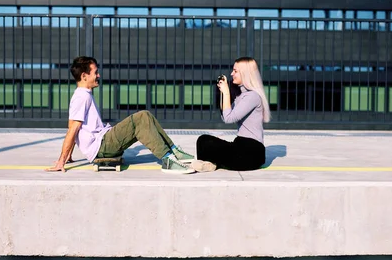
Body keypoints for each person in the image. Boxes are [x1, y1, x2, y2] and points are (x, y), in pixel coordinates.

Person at [46, 56, 195, 174]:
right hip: (101, 147)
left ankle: (173, 151)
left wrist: (69, 156)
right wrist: (62, 161)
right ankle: (168, 160)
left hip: (104, 140)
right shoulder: (82, 97)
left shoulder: (84, 94)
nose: (98, 75)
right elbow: (73, 129)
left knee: (146, 115)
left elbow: (72, 126)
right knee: (141, 118)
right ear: (84, 76)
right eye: (95, 72)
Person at [192, 56, 271, 172]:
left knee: (207, 143)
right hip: (240, 145)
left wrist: (226, 92)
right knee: (203, 140)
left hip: (251, 152)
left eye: (235, 71)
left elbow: (229, 118)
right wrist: (223, 93)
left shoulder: (253, 96)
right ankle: (213, 164)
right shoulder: (241, 95)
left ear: (245, 74)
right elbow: (225, 115)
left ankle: (213, 163)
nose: (231, 73)